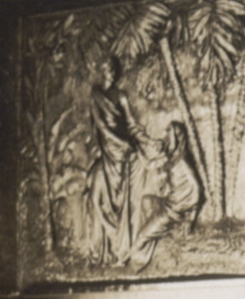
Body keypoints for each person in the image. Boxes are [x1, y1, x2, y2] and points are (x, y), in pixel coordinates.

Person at [85, 53, 144, 264]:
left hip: (122, 151)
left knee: (123, 195)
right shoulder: (95, 95)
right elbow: (101, 126)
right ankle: (106, 246)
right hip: (110, 148)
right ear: (102, 71)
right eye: (106, 67)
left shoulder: (121, 96)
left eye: (112, 67)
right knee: (103, 195)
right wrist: (120, 143)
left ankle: (122, 246)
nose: (110, 70)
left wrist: (140, 140)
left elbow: (130, 123)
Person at [130, 118, 206, 265]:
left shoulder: (182, 162)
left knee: (140, 239)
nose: (165, 136)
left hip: (173, 211)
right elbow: (149, 164)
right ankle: (163, 231)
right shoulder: (171, 158)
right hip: (168, 203)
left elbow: (197, 189)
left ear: (176, 138)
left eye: (168, 134)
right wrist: (137, 147)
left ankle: (134, 261)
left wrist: (191, 219)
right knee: (146, 201)